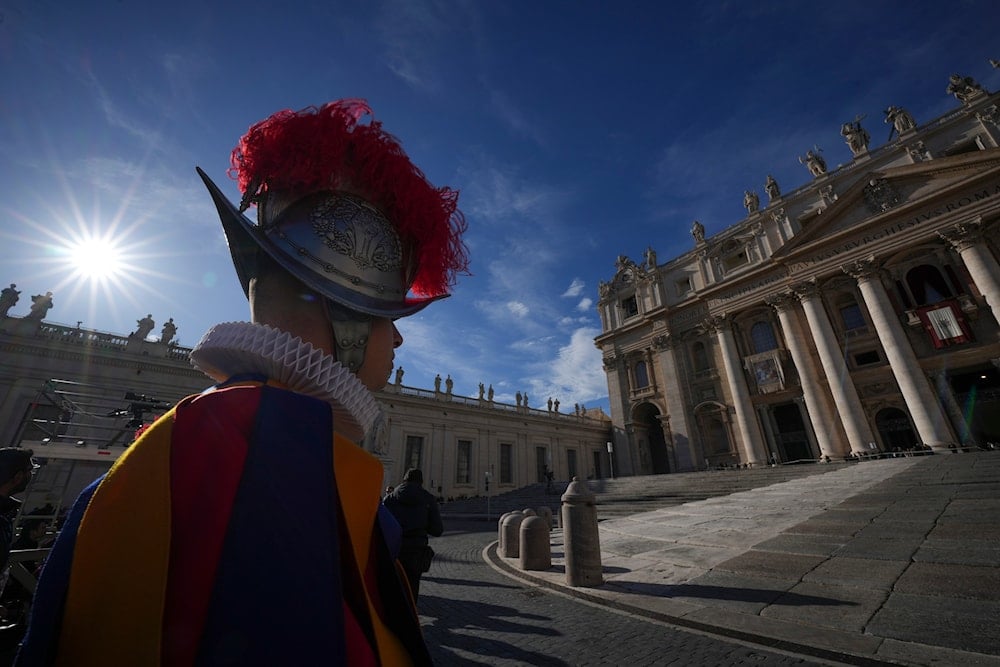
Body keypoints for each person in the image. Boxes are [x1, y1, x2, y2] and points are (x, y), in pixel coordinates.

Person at [17, 100, 468, 666]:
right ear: (346, 320)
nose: (397, 343)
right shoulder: (258, 458)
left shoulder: (236, 433)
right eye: (387, 319)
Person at [382, 469, 443, 600]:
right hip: (416, 551)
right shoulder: (428, 499)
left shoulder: (389, 499)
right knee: (412, 590)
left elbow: (381, 526)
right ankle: (409, 617)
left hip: (394, 550)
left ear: (404, 480)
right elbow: (437, 530)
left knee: (391, 589)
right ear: (421, 482)